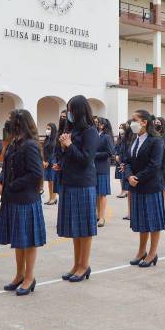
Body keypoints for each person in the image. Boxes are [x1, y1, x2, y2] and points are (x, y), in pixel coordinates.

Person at [0, 110, 46, 296]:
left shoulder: (30, 145)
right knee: (18, 240)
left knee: (28, 241)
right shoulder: (14, 143)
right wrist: (1, 181)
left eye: (11, 121)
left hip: (25, 199)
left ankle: (29, 277)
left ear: (20, 123)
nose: (8, 124)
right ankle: (19, 274)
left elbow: (35, 174)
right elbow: (6, 165)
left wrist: (13, 185)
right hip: (12, 197)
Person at [57, 96, 99, 282]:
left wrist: (70, 146)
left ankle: (84, 265)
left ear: (80, 111)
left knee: (84, 228)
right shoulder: (70, 130)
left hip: (83, 183)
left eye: (71, 110)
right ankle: (76, 264)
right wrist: (63, 149)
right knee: (75, 228)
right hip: (69, 181)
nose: (69, 114)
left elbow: (86, 159)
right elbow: (66, 155)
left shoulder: (90, 132)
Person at [127, 109, 165, 268]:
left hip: (151, 186)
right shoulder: (134, 140)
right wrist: (129, 176)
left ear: (144, 122)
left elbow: (155, 165)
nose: (132, 123)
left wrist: (138, 178)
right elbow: (127, 160)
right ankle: (141, 251)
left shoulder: (155, 140)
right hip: (136, 186)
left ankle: (152, 253)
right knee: (142, 221)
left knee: (153, 222)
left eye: (135, 120)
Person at [94, 117, 114, 227]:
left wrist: (94, 155)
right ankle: (97, 215)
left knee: (102, 194)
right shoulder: (94, 135)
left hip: (102, 168)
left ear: (102, 125)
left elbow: (109, 153)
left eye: (97, 123)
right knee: (96, 194)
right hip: (93, 168)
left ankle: (102, 217)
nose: (95, 124)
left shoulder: (106, 137)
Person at [43, 122, 58, 205]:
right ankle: (50, 197)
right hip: (46, 162)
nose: (47, 130)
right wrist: (44, 161)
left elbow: (53, 153)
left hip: (52, 161)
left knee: (53, 180)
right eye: (47, 128)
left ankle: (54, 198)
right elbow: (44, 151)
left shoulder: (55, 140)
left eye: (49, 129)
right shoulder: (46, 139)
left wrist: (48, 161)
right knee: (49, 181)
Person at [114, 122, 131, 199]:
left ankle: (125, 191)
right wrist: (116, 155)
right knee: (121, 177)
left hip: (124, 160)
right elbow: (116, 148)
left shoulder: (128, 138)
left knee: (125, 176)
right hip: (118, 160)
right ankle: (122, 190)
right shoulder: (119, 139)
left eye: (122, 127)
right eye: (119, 127)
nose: (120, 129)